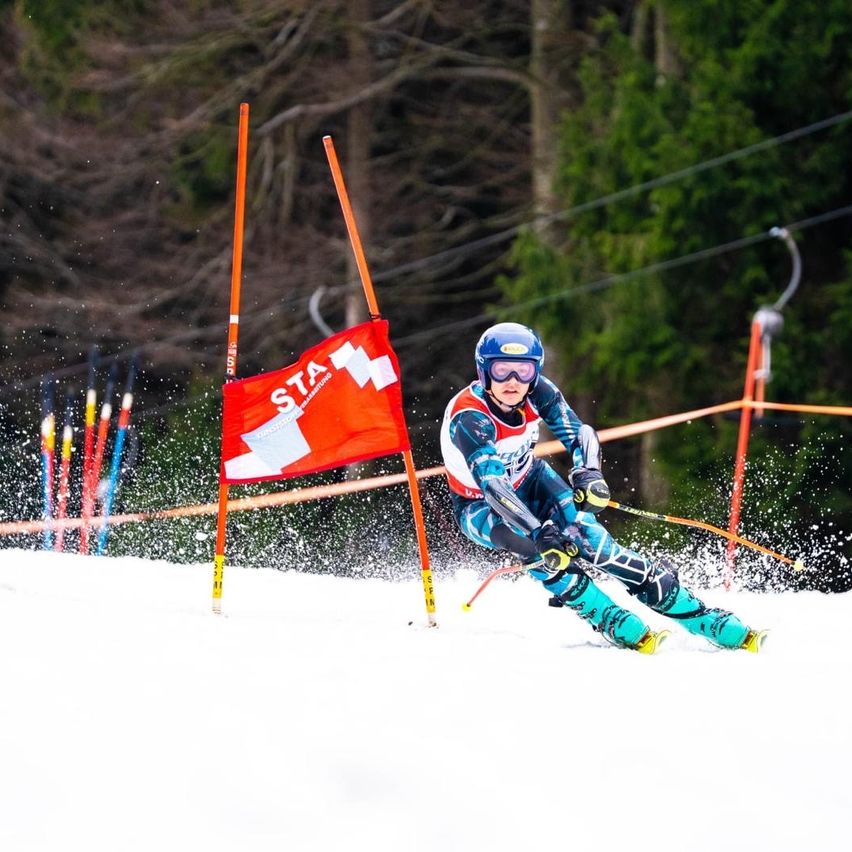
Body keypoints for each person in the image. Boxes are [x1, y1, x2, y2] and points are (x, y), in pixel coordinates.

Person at [440, 321, 766, 653]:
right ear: (484, 372)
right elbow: (494, 487)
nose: (513, 382)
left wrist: (589, 473)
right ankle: (604, 613)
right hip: (479, 504)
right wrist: (538, 531)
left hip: (532, 479)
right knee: (541, 553)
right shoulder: (470, 418)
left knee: (592, 542)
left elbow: (580, 434)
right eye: (502, 370)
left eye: (523, 371)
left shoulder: (539, 392)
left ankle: (699, 616)